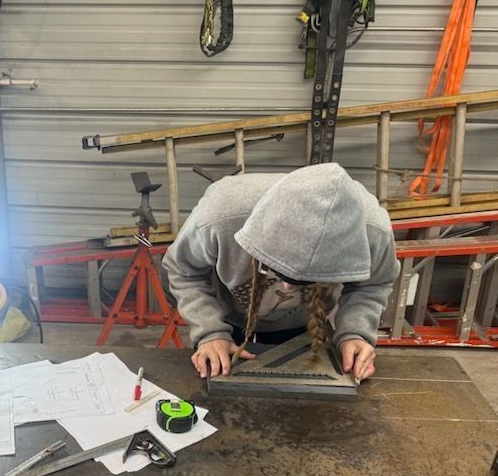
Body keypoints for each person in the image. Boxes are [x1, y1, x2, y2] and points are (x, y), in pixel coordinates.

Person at [162, 163, 399, 382]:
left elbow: (373, 284)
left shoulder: (373, 233)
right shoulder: (219, 218)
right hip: (228, 316)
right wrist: (210, 332)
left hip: (305, 324)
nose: (286, 289)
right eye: (275, 270)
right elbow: (182, 270)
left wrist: (355, 333)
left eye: (308, 281)